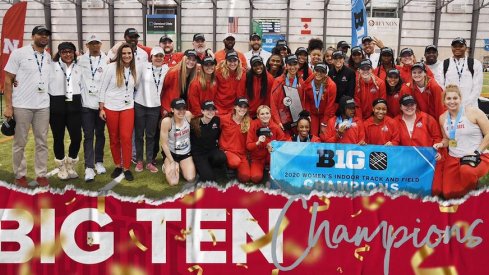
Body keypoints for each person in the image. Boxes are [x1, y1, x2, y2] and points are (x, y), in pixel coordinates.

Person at [3, 25, 53, 187]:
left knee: (42, 142)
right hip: (22, 105)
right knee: (20, 143)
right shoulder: (19, 53)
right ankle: (20, 175)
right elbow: (8, 80)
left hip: (43, 107)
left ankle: (41, 174)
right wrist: (8, 106)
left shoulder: (47, 56)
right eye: (40, 34)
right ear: (33, 36)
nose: (44, 37)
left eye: (46, 35)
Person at [433, 85, 489, 199]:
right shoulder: (442, 118)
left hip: (477, 156)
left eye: (455, 98)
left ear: (460, 99)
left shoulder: (473, 112)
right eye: (448, 99)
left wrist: (477, 151)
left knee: (467, 172)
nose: (452, 101)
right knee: (448, 193)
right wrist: (441, 144)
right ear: (444, 101)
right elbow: (447, 139)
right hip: (454, 158)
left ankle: (478, 197)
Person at [99, 43, 137, 181]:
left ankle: (126, 167)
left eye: (129, 53)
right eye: (124, 53)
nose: (127, 56)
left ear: (132, 55)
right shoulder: (110, 68)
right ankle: (117, 165)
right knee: (114, 138)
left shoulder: (134, 69)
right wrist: (101, 108)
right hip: (111, 107)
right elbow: (102, 88)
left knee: (126, 138)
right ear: (119, 55)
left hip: (127, 108)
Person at [395, 94, 444, 196]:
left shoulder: (427, 119)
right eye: (405, 105)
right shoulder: (395, 121)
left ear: (416, 105)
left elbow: (437, 137)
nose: (409, 107)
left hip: (426, 162)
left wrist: (438, 151)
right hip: (406, 163)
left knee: (431, 190)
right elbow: (393, 140)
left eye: (412, 104)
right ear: (400, 107)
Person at [49, 42, 83, 180]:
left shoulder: (79, 68)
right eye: (64, 52)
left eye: (70, 52)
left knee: (76, 137)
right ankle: (61, 167)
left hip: (74, 106)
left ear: (74, 53)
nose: (67, 54)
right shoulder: (52, 67)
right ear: (60, 53)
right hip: (57, 106)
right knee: (58, 138)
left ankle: (70, 164)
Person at [78, 34, 109, 182]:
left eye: (97, 43)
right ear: (87, 46)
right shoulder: (80, 60)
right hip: (86, 104)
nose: (95, 46)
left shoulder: (107, 59)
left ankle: (99, 162)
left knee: (101, 134)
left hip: (101, 105)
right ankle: (89, 167)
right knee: (88, 135)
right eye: (92, 43)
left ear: (101, 45)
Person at [133, 47, 169, 173]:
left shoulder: (166, 69)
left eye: (161, 56)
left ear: (163, 58)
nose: (158, 58)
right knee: (139, 135)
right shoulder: (143, 66)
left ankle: (149, 161)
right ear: (151, 57)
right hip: (140, 104)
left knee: (151, 135)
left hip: (155, 106)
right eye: (155, 56)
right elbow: (136, 83)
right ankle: (139, 161)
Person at [438, 37, 483, 108]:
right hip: (450, 106)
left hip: (470, 106)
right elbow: (441, 85)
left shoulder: (475, 63)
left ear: (466, 47)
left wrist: (466, 103)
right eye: (455, 46)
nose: (457, 48)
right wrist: (451, 101)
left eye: (460, 46)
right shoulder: (444, 64)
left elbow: (477, 87)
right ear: (451, 48)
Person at [159, 98, 196, 186]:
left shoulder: (188, 115)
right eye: (178, 109)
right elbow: (163, 144)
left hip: (185, 153)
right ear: (172, 110)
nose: (181, 111)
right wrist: (172, 162)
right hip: (171, 154)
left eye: (183, 108)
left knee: (190, 178)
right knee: (173, 182)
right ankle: (167, 165)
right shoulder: (167, 121)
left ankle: (181, 166)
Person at [246, 105, 286, 184]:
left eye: (267, 113)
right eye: (262, 114)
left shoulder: (275, 127)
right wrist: (257, 143)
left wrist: (275, 145)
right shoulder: (253, 125)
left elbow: (284, 143)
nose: (265, 116)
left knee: (279, 177)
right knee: (255, 178)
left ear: (270, 114)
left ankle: (270, 168)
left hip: (271, 157)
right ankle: (260, 168)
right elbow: (248, 146)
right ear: (258, 116)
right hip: (257, 158)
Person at [190, 100, 227, 182]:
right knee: (209, 179)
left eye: (213, 110)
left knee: (222, 157)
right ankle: (200, 167)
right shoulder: (194, 123)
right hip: (199, 154)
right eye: (208, 110)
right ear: (202, 111)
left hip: (212, 150)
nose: (211, 112)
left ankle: (210, 166)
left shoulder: (217, 120)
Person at [270, 54, 304, 137]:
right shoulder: (278, 81)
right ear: (286, 66)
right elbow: (273, 104)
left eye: (295, 64)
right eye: (290, 64)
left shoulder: (301, 82)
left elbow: (303, 102)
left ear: (298, 65)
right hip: (283, 119)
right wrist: (278, 121)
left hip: (296, 119)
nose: (292, 67)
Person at [219, 97, 252, 183]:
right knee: (234, 162)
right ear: (235, 107)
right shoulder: (224, 119)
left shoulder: (249, 122)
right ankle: (226, 166)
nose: (242, 109)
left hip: (242, 154)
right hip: (227, 151)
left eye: (245, 107)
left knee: (245, 177)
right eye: (240, 106)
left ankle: (234, 170)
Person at [302, 63, 337, 136]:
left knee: (324, 134)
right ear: (313, 71)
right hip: (313, 114)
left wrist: (324, 122)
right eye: (317, 70)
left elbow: (330, 105)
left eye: (322, 71)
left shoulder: (331, 85)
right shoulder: (308, 83)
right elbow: (306, 101)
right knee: (313, 135)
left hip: (325, 114)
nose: (319, 73)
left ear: (326, 74)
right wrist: (308, 114)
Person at [161, 49, 198, 116]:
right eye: (188, 59)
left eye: (193, 60)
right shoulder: (173, 73)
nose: (191, 62)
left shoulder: (194, 74)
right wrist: (165, 108)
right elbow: (163, 89)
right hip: (170, 109)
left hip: (184, 109)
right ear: (183, 59)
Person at [214, 50, 246, 115]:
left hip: (233, 108)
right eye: (230, 61)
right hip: (219, 106)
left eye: (234, 61)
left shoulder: (242, 72)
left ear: (238, 61)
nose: (232, 63)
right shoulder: (218, 72)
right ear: (226, 61)